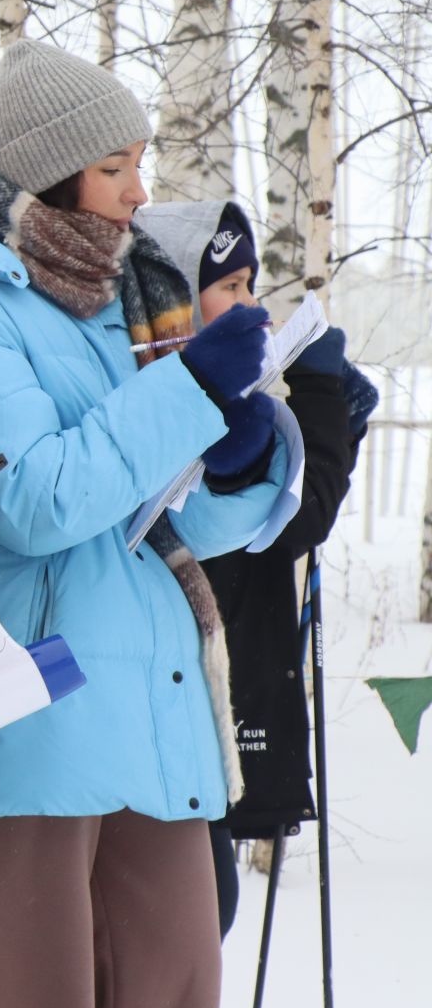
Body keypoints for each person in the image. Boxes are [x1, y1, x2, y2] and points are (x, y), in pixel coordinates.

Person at [0, 39, 297, 1008]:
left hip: (154, 702)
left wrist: (243, 450)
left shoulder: (124, 298)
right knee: (30, 993)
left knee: (175, 985)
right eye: (116, 167)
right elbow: (38, 498)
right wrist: (187, 392)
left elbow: (162, 520)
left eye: (140, 163)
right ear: (52, 169)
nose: (140, 192)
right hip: (33, 712)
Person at [136, 200, 378, 936]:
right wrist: (323, 400)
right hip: (183, 719)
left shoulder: (235, 396)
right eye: (231, 287)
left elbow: (298, 509)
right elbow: (297, 520)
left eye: (251, 285)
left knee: (204, 925)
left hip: (223, 703)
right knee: (187, 924)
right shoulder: (172, 403)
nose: (253, 309)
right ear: (177, 294)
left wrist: (336, 416)